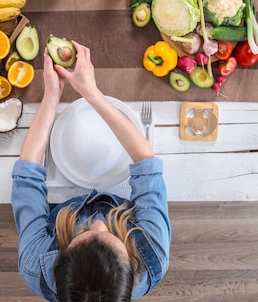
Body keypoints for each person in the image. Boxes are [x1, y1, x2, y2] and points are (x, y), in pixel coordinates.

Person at [11, 41, 171, 301]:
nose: (98, 223)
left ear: (59, 260)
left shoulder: (34, 266)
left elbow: (27, 177)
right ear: (132, 267)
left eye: (83, 234)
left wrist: (51, 96)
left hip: (62, 203)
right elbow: (146, 164)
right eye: (110, 236)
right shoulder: (152, 255)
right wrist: (91, 92)